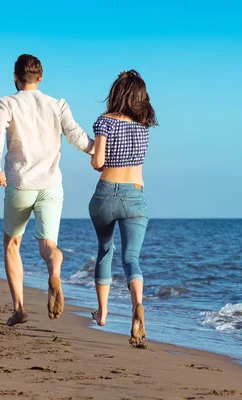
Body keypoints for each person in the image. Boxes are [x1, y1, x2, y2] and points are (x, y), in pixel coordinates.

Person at [0, 54, 94, 326]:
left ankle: (19, 309)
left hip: (21, 184)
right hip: (50, 185)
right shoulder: (57, 105)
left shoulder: (6, 102)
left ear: (15, 77)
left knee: (12, 244)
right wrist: (98, 152)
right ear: (41, 78)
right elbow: (77, 136)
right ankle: (55, 273)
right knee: (49, 246)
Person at [88, 70, 157, 348]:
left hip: (105, 194)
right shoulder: (143, 127)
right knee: (131, 258)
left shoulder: (104, 122)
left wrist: (92, 153)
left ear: (116, 93)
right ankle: (137, 305)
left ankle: (103, 313)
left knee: (105, 250)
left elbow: (98, 162)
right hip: (134, 196)